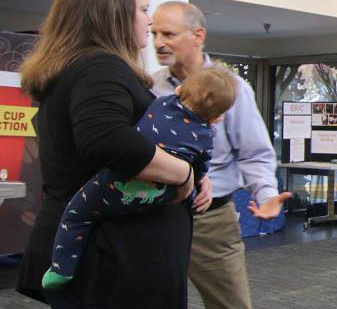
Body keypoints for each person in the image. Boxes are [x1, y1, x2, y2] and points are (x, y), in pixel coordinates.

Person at [16, 0, 212, 309]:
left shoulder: (68, 72)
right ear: (112, 12)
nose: (148, 23)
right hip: (120, 265)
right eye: (143, 9)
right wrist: (183, 174)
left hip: (85, 258)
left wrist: (178, 172)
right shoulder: (101, 67)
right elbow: (106, 141)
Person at [150, 1, 295, 309]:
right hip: (155, 223)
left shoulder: (233, 89)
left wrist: (266, 195)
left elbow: (254, 153)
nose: (158, 43)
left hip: (213, 223)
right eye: (154, 33)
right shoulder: (150, 88)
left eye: (169, 34)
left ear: (198, 36)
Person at [43, 66, 236, 290]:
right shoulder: (205, 136)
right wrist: (193, 184)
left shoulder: (160, 103)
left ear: (181, 89)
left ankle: (61, 269)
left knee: (77, 215)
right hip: (162, 195)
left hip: (117, 181)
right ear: (216, 117)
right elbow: (200, 170)